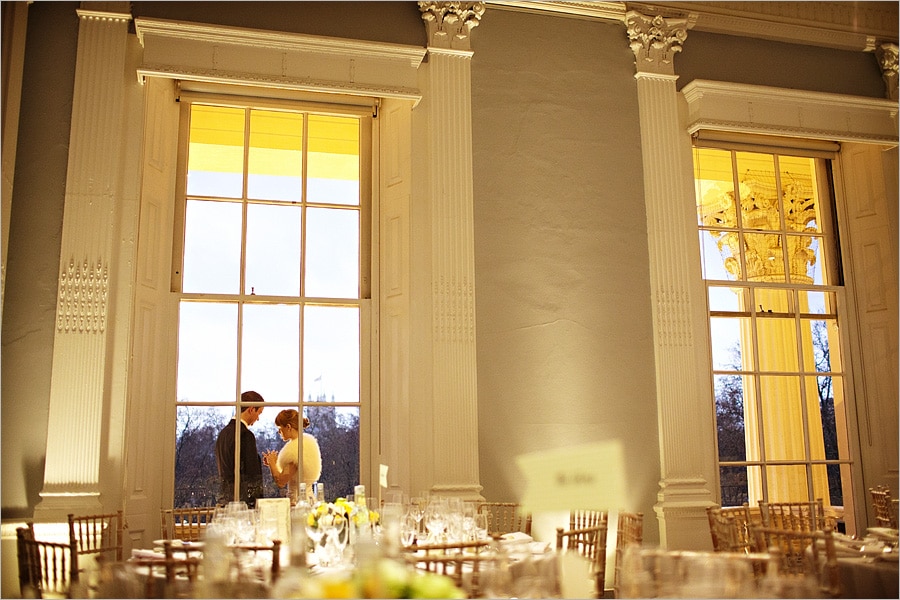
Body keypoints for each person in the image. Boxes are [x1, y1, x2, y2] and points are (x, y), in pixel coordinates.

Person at [215, 390, 265, 507]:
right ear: (251, 409)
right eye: (259, 413)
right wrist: (256, 503)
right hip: (243, 503)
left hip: (226, 500)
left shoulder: (223, 434)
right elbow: (251, 475)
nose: (258, 418)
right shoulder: (245, 435)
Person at [262, 409, 322, 504]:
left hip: (299, 503)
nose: (279, 432)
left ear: (288, 427)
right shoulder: (307, 444)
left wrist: (272, 463)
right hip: (308, 497)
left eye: (280, 429)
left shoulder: (295, 450)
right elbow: (293, 473)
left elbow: (281, 481)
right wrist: (273, 463)